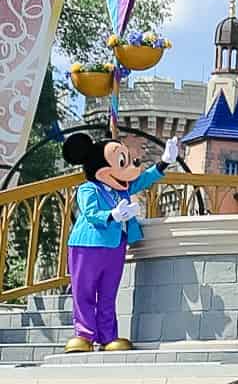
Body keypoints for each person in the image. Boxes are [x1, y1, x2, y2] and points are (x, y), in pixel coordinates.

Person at [62, 132, 181, 352]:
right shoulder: (88, 189)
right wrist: (113, 215)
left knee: (108, 293)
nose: (130, 168)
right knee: (84, 291)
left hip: (115, 246)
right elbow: (90, 212)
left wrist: (165, 162)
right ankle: (84, 335)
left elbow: (143, 179)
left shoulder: (123, 189)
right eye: (121, 162)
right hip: (87, 245)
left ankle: (108, 336)